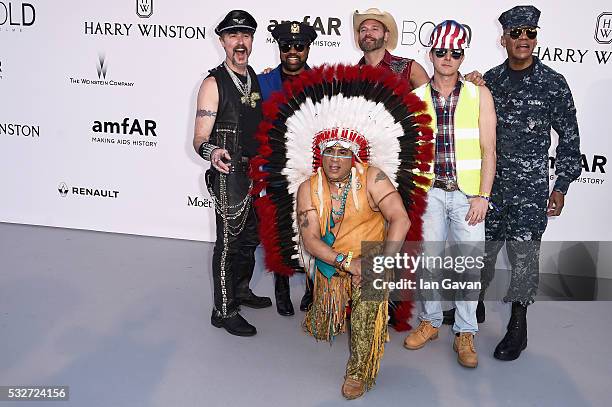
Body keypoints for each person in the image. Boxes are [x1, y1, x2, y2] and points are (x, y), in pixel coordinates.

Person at [249, 64, 433, 399]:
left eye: (342, 152)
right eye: (328, 151)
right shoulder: (308, 187)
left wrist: (380, 263)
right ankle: (328, 311)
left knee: (365, 309)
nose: (335, 159)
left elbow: (400, 219)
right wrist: (349, 263)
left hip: (375, 252)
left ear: (355, 155)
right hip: (337, 257)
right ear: (319, 154)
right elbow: (310, 240)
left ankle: (359, 370)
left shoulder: (373, 176)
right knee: (325, 320)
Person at [481, 5, 581, 361]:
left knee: (524, 258)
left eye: (531, 33)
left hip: (529, 192)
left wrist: (561, 185)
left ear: (536, 38)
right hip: (488, 189)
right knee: (484, 252)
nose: (524, 39)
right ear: (504, 38)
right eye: (517, 33)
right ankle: (473, 305)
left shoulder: (553, 83)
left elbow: (570, 139)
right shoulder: (489, 81)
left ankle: (517, 326)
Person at [402, 20, 496, 368]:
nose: (447, 57)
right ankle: (430, 321)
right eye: (441, 51)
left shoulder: (479, 93)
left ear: (462, 56)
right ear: (431, 53)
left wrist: (483, 195)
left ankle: (466, 331)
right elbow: (408, 153)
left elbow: (490, 148)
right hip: (430, 195)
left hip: (468, 194)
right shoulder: (415, 98)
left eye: (455, 52)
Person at [192, 10, 271, 337]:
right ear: (222, 41)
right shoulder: (213, 83)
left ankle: (240, 290)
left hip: (254, 172)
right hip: (229, 174)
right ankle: (223, 310)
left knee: (250, 237)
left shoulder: (253, 74)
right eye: (233, 36)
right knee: (228, 242)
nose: (240, 42)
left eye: (246, 35)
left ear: (252, 40)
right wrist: (214, 153)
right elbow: (199, 139)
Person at [257, 21, 318, 316]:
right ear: (279, 49)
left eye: (299, 46)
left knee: (310, 227)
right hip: (275, 169)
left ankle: (311, 288)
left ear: (308, 48)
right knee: (279, 230)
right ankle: (281, 290)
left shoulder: (323, 83)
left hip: (310, 171)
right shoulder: (262, 83)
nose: (292, 52)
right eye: (286, 46)